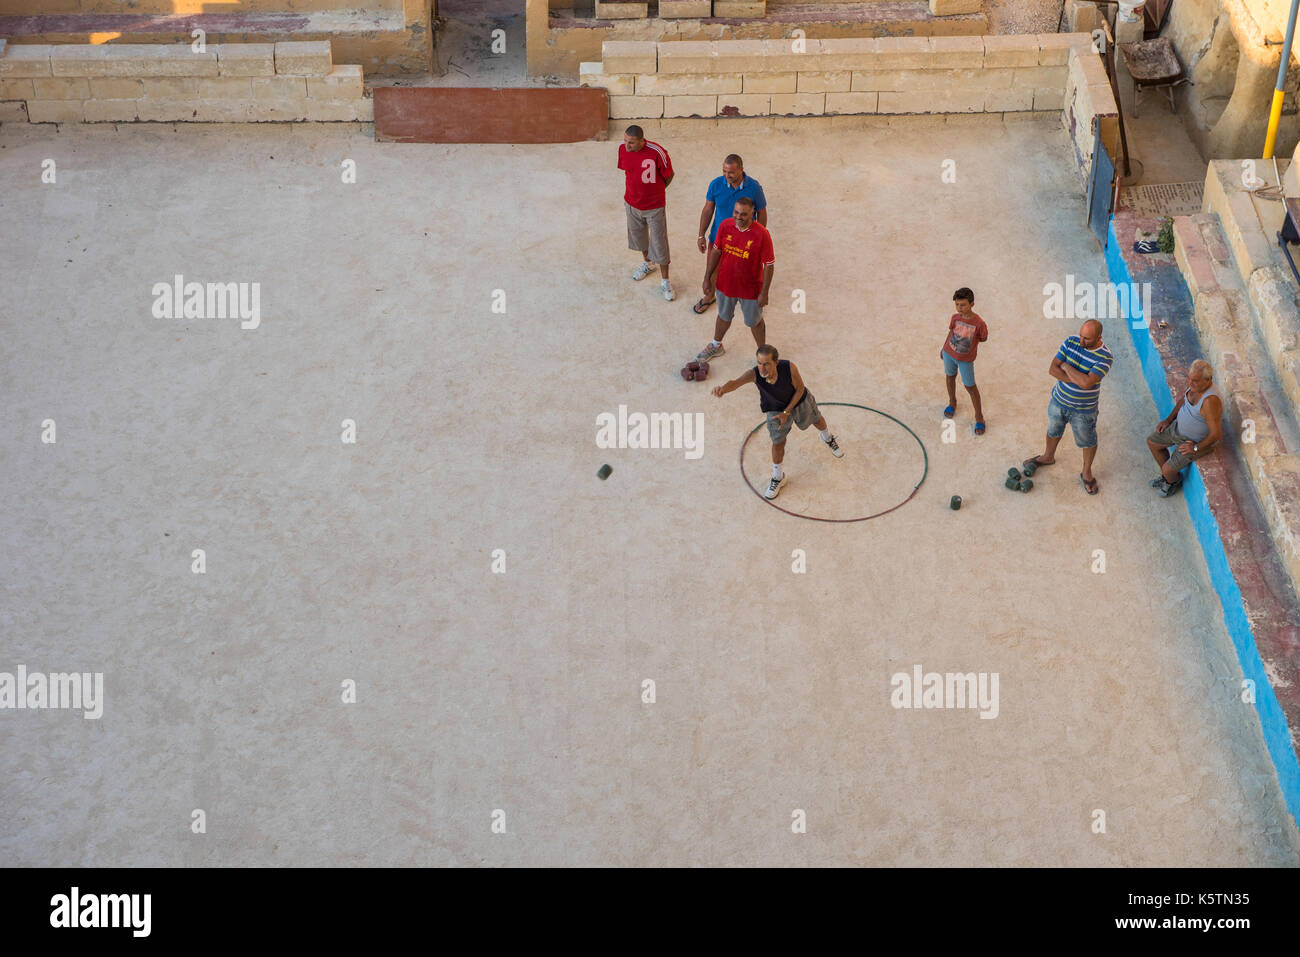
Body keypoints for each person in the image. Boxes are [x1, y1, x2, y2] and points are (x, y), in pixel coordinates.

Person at [711, 344, 842, 500]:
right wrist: (723, 390)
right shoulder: (754, 374)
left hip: (799, 401)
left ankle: (828, 438)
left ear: (776, 362)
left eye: (766, 363)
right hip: (775, 410)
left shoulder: (789, 367)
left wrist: (787, 412)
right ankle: (778, 477)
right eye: (759, 362)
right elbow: (735, 382)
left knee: (817, 420)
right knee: (778, 443)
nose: (762, 367)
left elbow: (800, 389)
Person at [1024, 319, 1114, 494]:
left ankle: (1086, 473)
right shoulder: (1071, 342)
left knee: (1087, 441)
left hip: (1084, 409)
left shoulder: (1106, 357)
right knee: (1052, 431)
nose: (1081, 342)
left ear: (1099, 337)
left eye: (1087, 339)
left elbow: (1087, 384)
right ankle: (1048, 457)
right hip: (1058, 400)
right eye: (1081, 336)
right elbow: (1052, 370)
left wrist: (1065, 366)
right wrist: (1078, 379)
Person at [695, 197, 774, 364]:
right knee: (723, 316)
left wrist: (764, 293)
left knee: (755, 322)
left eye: (744, 214)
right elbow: (716, 251)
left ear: (752, 213)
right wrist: (707, 277)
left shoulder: (762, 234)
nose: (739, 217)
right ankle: (716, 345)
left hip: (751, 289)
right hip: (725, 284)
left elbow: (768, 265)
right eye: (736, 212)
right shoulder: (725, 226)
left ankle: (763, 354)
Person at [692, 154, 768, 314]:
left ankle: (750, 298)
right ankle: (709, 296)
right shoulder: (716, 184)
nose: (727, 176)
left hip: (744, 241)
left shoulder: (754, 187)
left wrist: (759, 238)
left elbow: (761, 212)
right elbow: (708, 210)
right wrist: (701, 235)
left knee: (747, 270)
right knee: (713, 269)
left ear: (741, 170)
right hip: (718, 238)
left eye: (731, 172)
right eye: (724, 171)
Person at [1145, 359, 1223, 498]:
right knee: (1152, 443)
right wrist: (1168, 420)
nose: (1190, 383)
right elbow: (1183, 401)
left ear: (1208, 380)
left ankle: (1172, 481)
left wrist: (1195, 448)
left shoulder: (1210, 401)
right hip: (1177, 428)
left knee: (1168, 470)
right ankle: (1167, 477)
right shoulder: (1195, 387)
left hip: (1192, 441)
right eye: (1189, 379)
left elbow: (1216, 434)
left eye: (1195, 381)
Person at [616, 125, 675, 301]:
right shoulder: (622, 149)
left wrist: (657, 191)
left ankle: (665, 281)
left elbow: (670, 175)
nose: (627, 146)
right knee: (639, 237)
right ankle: (648, 264)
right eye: (625, 141)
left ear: (642, 141)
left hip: (654, 206)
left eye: (631, 143)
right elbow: (628, 172)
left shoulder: (657, 152)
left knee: (659, 242)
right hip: (632, 203)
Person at [940, 286, 989, 435]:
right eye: (957, 304)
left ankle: (979, 417)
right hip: (949, 354)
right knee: (950, 377)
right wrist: (943, 348)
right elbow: (951, 332)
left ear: (972, 304)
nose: (959, 308)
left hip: (965, 360)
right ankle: (952, 402)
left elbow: (983, 338)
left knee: (970, 387)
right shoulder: (955, 318)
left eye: (963, 305)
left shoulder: (979, 323)